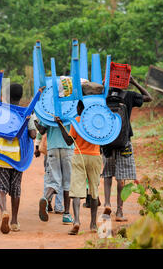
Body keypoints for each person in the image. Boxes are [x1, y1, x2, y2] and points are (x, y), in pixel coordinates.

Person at [101, 75, 152, 221]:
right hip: (124, 142)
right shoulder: (129, 95)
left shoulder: (105, 96)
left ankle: (106, 204)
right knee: (121, 177)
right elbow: (148, 97)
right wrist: (135, 82)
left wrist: (104, 85)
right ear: (124, 82)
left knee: (107, 175)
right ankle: (119, 212)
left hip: (107, 141)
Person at [0, 83, 41, 234]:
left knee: (0, 188)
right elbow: (33, 135)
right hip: (18, 157)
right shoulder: (27, 113)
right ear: (21, 97)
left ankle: (4, 212)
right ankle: (14, 221)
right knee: (15, 189)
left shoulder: (2, 112)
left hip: (2, 155)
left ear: (7, 96)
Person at [56, 100, 103, 235]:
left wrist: (60, 125)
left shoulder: (77, 120)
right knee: (94, 190)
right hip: (95, 156)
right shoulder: (97, 120)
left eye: (77, 106)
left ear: (81, 108)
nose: (76, 109)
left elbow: (69, 141)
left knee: (76, 191)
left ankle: (76, 221)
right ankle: (93, 224)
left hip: (79, 156)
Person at [35, 116, 74, 225]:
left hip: (52, 148)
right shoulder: (70, 108)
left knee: (54, 181)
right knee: (67, 182)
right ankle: (66, 214)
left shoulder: (48, 110)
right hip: (68, 149)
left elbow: (42, 131)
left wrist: (35, 123)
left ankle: (45, 198)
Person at [35, 128, 65, 214]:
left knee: (49, 177)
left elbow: (40, 132)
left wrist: (37, 147)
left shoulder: (47, 115)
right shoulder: (68, 115)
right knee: (62, 179)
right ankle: (59, 206)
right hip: (64, 150)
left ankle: (47, 202)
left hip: (50, 150)